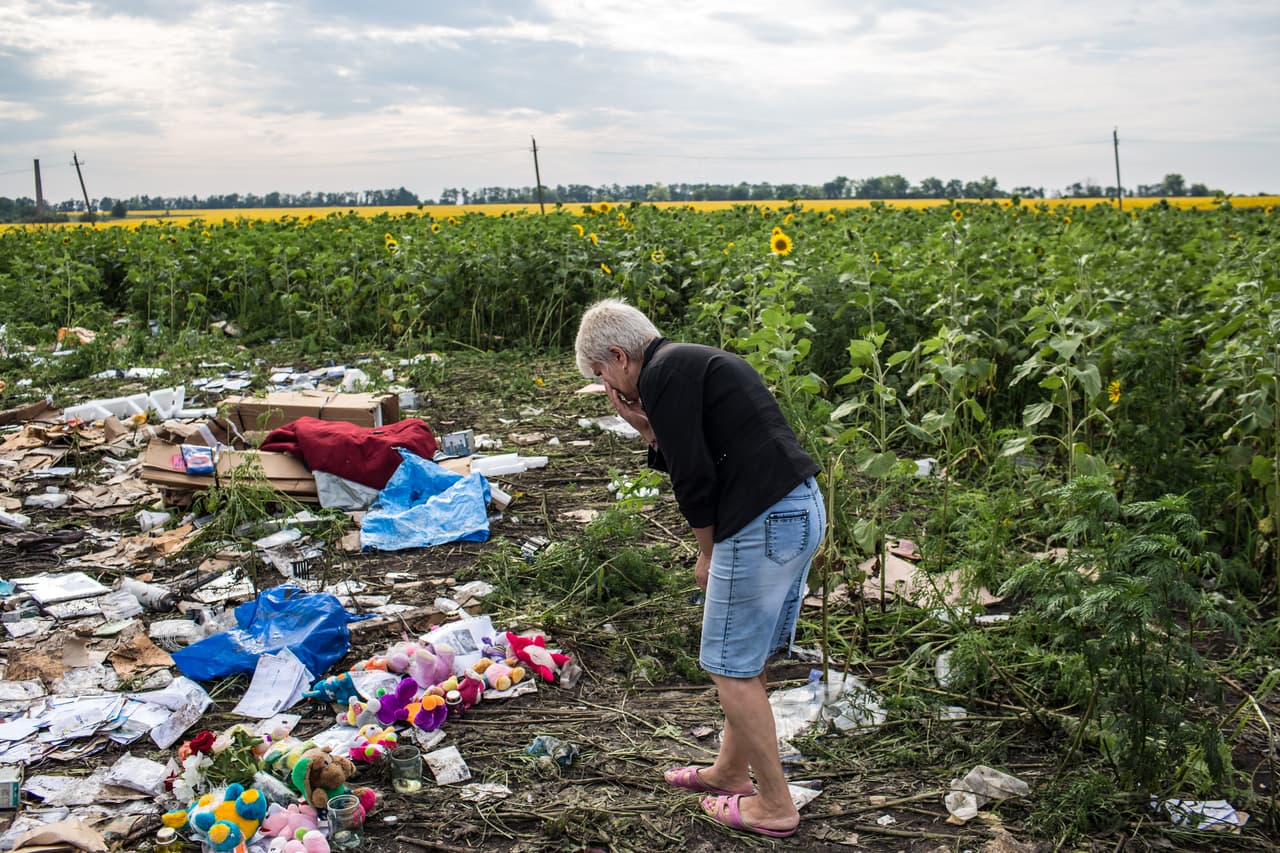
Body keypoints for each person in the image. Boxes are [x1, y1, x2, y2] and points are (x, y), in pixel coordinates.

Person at [575, 298, 825, 839]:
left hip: (760, 518)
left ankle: (775, 805)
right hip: (797, 508)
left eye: (602, 375)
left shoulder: (664, 374)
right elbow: (694, 448)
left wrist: (707, 551)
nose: (609, 389)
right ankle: (731, 772)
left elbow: (693, 477)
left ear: (618, 356)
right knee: (746, 656)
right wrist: (644, 428)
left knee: (728, 665)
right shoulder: (687, 363)